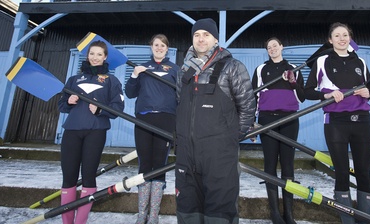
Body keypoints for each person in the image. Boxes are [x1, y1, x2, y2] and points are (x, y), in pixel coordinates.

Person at [175, 18, 256, 224]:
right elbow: (180, 103)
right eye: (196, 35)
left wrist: (231, 138)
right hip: (187, 155)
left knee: (220, 210)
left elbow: (247, 107)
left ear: (216, 39)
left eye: (206, 35)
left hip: (219, 156)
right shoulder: (184, 71)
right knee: (187, 208)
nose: (201, 39)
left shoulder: (232, 67)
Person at [304, 22, 370, 224]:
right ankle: (348, 221)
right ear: (330, 40)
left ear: (349, 38)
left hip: (362, 122)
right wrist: (326, 94)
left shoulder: (360, 61)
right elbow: (307, 92)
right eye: (337, 35)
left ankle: (365, 220)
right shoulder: (322, 61)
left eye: (345, 35)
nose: (342, 39)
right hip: (336, 123)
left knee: (363, 172)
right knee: (342, 173)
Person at [58, 40, 125, 224]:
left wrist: (101, 110)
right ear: (87, 56)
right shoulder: (74, 79)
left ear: (105, 57)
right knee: (68, 177)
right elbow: (61, 105)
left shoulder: (112, 81)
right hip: (71, 132)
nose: (95, 57)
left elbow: (118, 108)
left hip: (95, 133)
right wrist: (68, 102)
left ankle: (80, 222)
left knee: (88, 177)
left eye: (99, 54)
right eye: (92, 54)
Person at [124, 34, 179, 224]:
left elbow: (181, 96)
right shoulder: (142, 68)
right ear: (151, 47)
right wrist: (134, 75)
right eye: (156, 45)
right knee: (144, 163)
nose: (159, 47)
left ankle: (154, 215)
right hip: (144, 118)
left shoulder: (174, 69)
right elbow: (130, 93)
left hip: (166, 118)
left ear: (167, 48)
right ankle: (142, 215)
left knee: (160, 164)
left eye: (163, 45)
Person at [251, 37, 305, 224]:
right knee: (270, 164)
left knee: (288, 164)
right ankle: (275, 214)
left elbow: (302, 96)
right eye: (269, 47)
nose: (272, 49)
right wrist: (252, 123)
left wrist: (293, 82)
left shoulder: (293, 69)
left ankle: (289, 214)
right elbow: (253, 97)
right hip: (267, 120)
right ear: (267, 50)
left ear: (282, 47)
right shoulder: (260, 69)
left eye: (275, 45)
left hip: (289, 120)